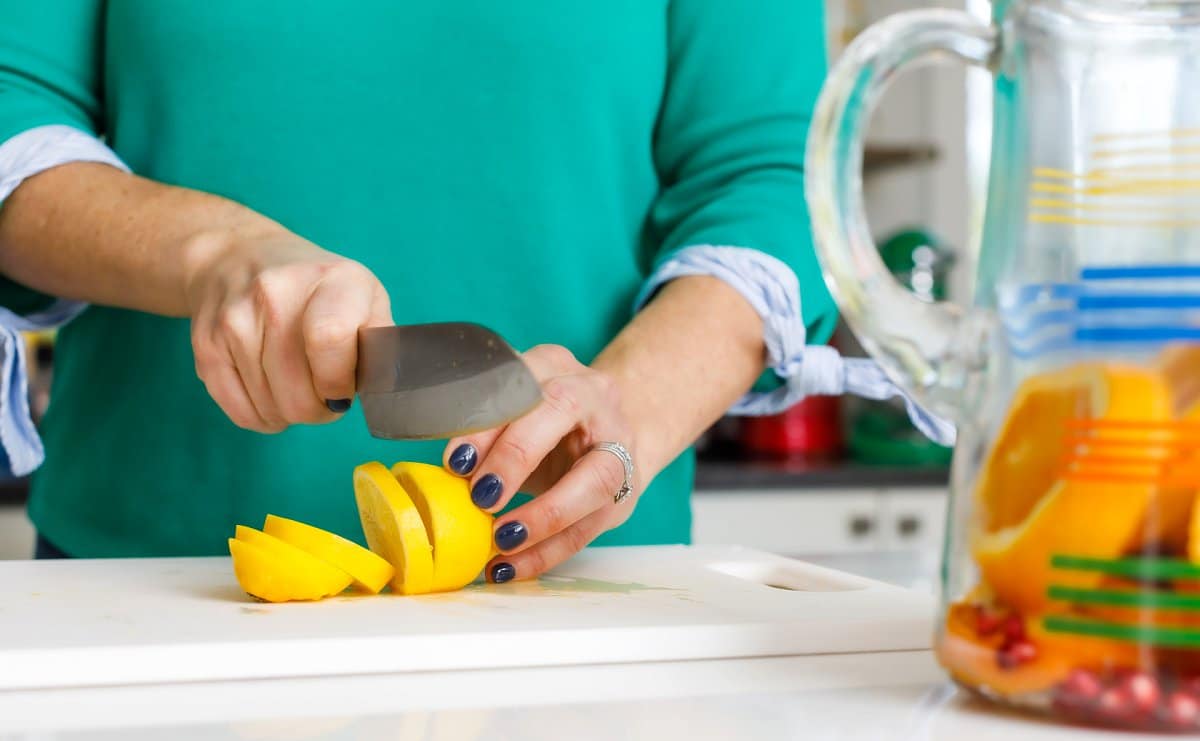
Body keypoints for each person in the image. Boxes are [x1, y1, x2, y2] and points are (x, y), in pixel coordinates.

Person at [0, 1, 946, 579]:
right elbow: (14, 104)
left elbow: (768, 173)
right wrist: (214, 253)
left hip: (573, 598)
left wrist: (633, 403)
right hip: (150, 597)